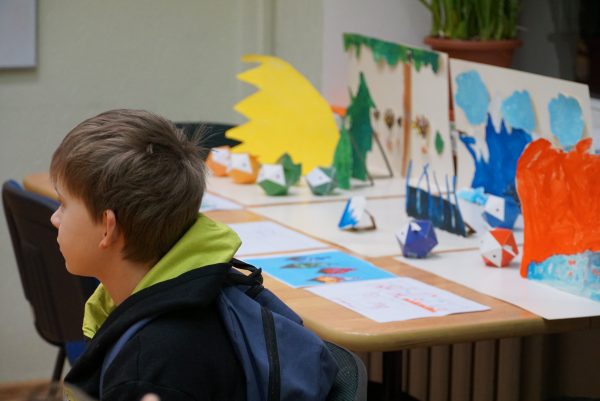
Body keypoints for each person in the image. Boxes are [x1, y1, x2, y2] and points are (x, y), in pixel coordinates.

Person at [50, 109, 246, 401]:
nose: (54, 218)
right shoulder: (187, 289)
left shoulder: (143, 376)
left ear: (107, 227)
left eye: (63, 204)